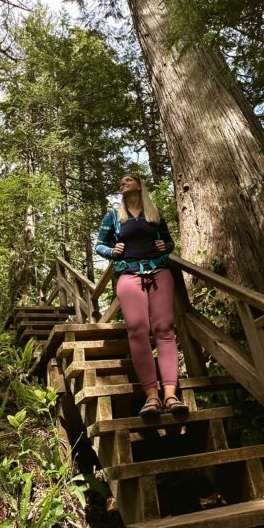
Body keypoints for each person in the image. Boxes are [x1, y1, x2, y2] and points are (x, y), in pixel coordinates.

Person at [95, 172, 188, 418]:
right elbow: (99, 245)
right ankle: (151, 397)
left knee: (165, 329)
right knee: (137, 329)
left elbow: (168, 242)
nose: (122, 182)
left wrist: (165, 247)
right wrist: (112, 251)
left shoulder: (154, 214)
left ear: (139, 185)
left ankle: (171, 395)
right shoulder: (114, 215)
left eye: (127, 179)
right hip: (129, 274)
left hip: (159, 273)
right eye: (121, 180)